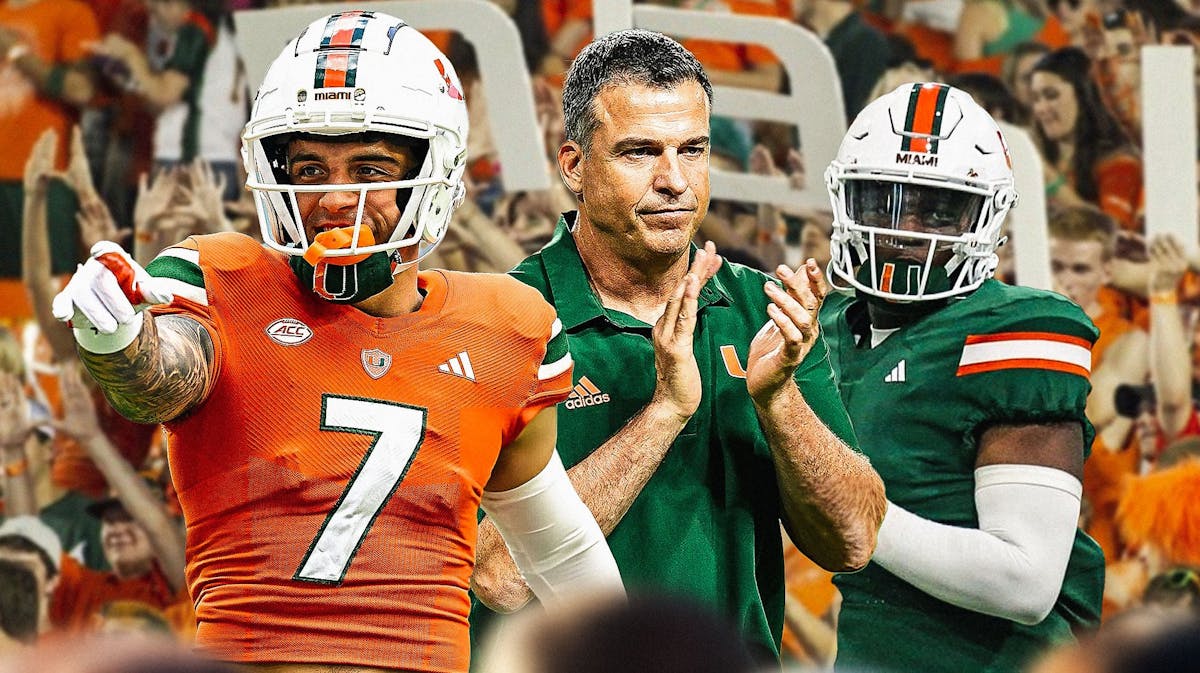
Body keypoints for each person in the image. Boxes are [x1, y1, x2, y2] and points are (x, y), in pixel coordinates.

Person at [49, 11, 622, 673]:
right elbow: (160, 376)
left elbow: (558, 551)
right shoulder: (225, 280)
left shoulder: (505, 328)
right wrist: (116, 334)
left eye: (370, 168)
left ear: (435, 171)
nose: (334, 197)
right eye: (310, 168)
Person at [470, 28, 886, 664]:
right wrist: (664, 411)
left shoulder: (762, 311)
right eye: (640, 153)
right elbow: (497, 574)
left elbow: (854, 540)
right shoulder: (504, 319)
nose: (674, 181)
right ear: (574, 165)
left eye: (693, 149)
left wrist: (779, 402)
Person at [819, 82, 1105, 673]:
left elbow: (1024, 583)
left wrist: (866, 517)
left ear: (988, 217)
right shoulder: (824, 328)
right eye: (883, 200)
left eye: (940, 209)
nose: (905, 229)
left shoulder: (1016, 330)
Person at [1030, 47, 1143, 231]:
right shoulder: (1043, 157)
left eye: (1051, 96)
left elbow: (1113, 234)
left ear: (1084, 96)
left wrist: (1049, 179)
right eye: (1035, 99)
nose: (1041, 109)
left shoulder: (1119, 163)